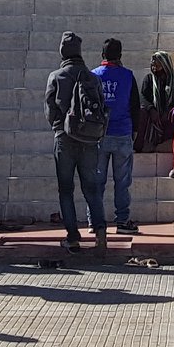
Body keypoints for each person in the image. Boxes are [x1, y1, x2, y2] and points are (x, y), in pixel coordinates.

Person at [44, 32, 109, 252]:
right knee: (92, 188)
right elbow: (102, 107)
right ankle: (100, 231)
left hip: (64, 138)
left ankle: (72, 237)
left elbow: (49, 110)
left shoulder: (56, 76)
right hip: (89, 139)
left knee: (66, 189)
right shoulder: (92, 77)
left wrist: (59, 126)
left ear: (63, 52)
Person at [92, 38, 142, 233]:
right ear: (120, 55)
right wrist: (134, 131)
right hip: (122, 133)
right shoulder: (128, 75)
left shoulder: (93, 75)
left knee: (97, 182)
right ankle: (122, 221)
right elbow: (135, 106)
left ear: (103, 54)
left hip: (98, 135)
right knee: (122, 182)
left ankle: (94, 222)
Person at [136, 50, 174, 152]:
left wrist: (167, 111)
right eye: (153, 65)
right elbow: (143, 97)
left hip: (168, 114)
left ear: (165, 65)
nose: (154, 68)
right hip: (154, 114)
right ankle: (141, 143)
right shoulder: (149, 78)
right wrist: (152, 110)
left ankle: (170, 141)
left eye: (157, 65)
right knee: (142, 111)